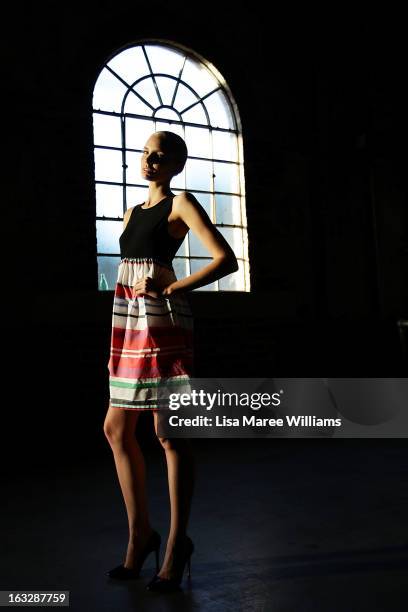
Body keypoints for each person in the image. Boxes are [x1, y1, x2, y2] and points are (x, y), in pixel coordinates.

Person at [103, 130, 238, 592]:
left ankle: (177, 543)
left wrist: (170, 288)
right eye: (146, 152)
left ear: (177, 164)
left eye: (161, 154)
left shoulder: (181, 203)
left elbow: (225, 259)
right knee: (116, 429)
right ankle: (141, 535)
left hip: (162, 321)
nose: (150, 159)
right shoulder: (130, 213)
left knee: (169, 434)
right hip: (128, 323)